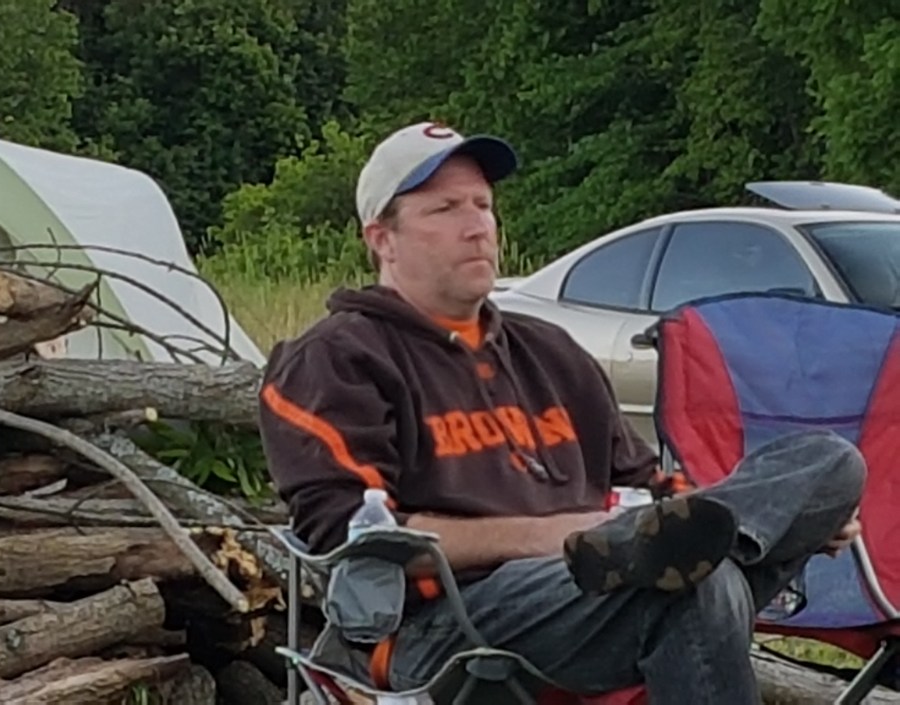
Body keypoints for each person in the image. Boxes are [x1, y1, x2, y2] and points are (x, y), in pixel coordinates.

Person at [258, 121, 865, 704]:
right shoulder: (338, 358)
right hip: (446, 619)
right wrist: (558, 536)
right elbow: (355, 537)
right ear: (381, 239)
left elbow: (649, 483)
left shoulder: (548, 351)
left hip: (601, 597)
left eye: (483, 205)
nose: (477, 227)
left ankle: (712, 540)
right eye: (445, 210)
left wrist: (779, 514)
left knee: (830, 462)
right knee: (695, 584)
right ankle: (662, 550)